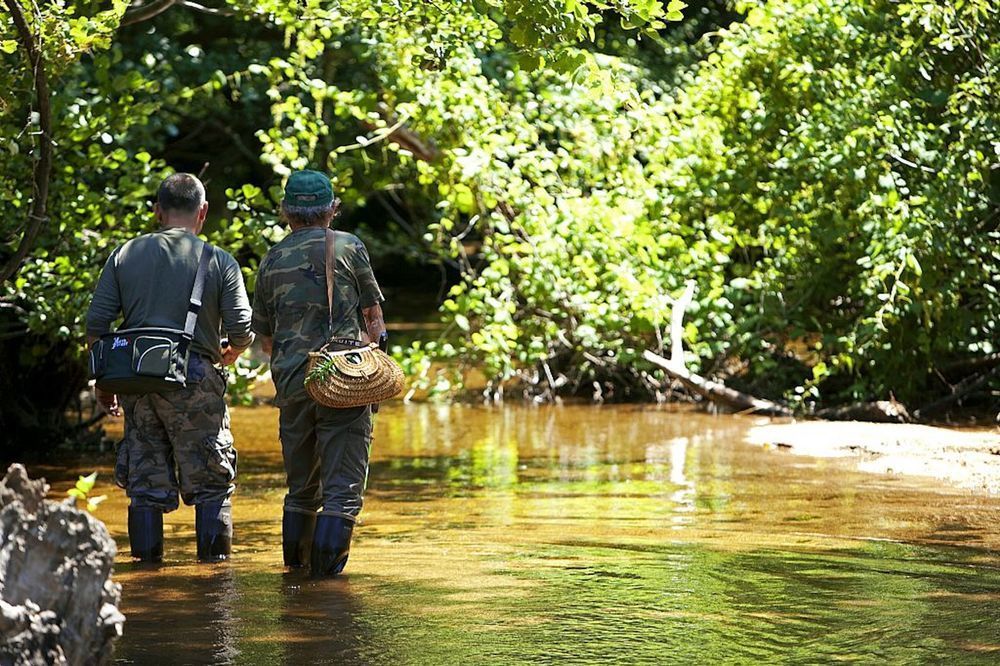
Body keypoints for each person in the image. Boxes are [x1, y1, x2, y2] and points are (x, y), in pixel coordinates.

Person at [85, 173, 254, 563]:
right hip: (195, 378)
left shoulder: (125, 254)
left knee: (144, 485)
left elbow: (97, 326)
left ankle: (146, 582)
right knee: (212, 484)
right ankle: (213, 586)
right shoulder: (219, 260)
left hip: (136, 380)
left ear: (157, 211)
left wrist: (103, 384)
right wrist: (234, 350)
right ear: (203, 212)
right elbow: (242, 327)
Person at [251, 169, 386, 576]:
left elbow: (266, 340)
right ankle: (324, 594)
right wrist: (376, 363)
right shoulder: (348, 246)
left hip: (292, 383)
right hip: (341, 380)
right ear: (332, 209)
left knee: (301, 491)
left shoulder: (271, 259)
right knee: (342, 493)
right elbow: (374, 318)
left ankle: (294, 582)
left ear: (285, 213)